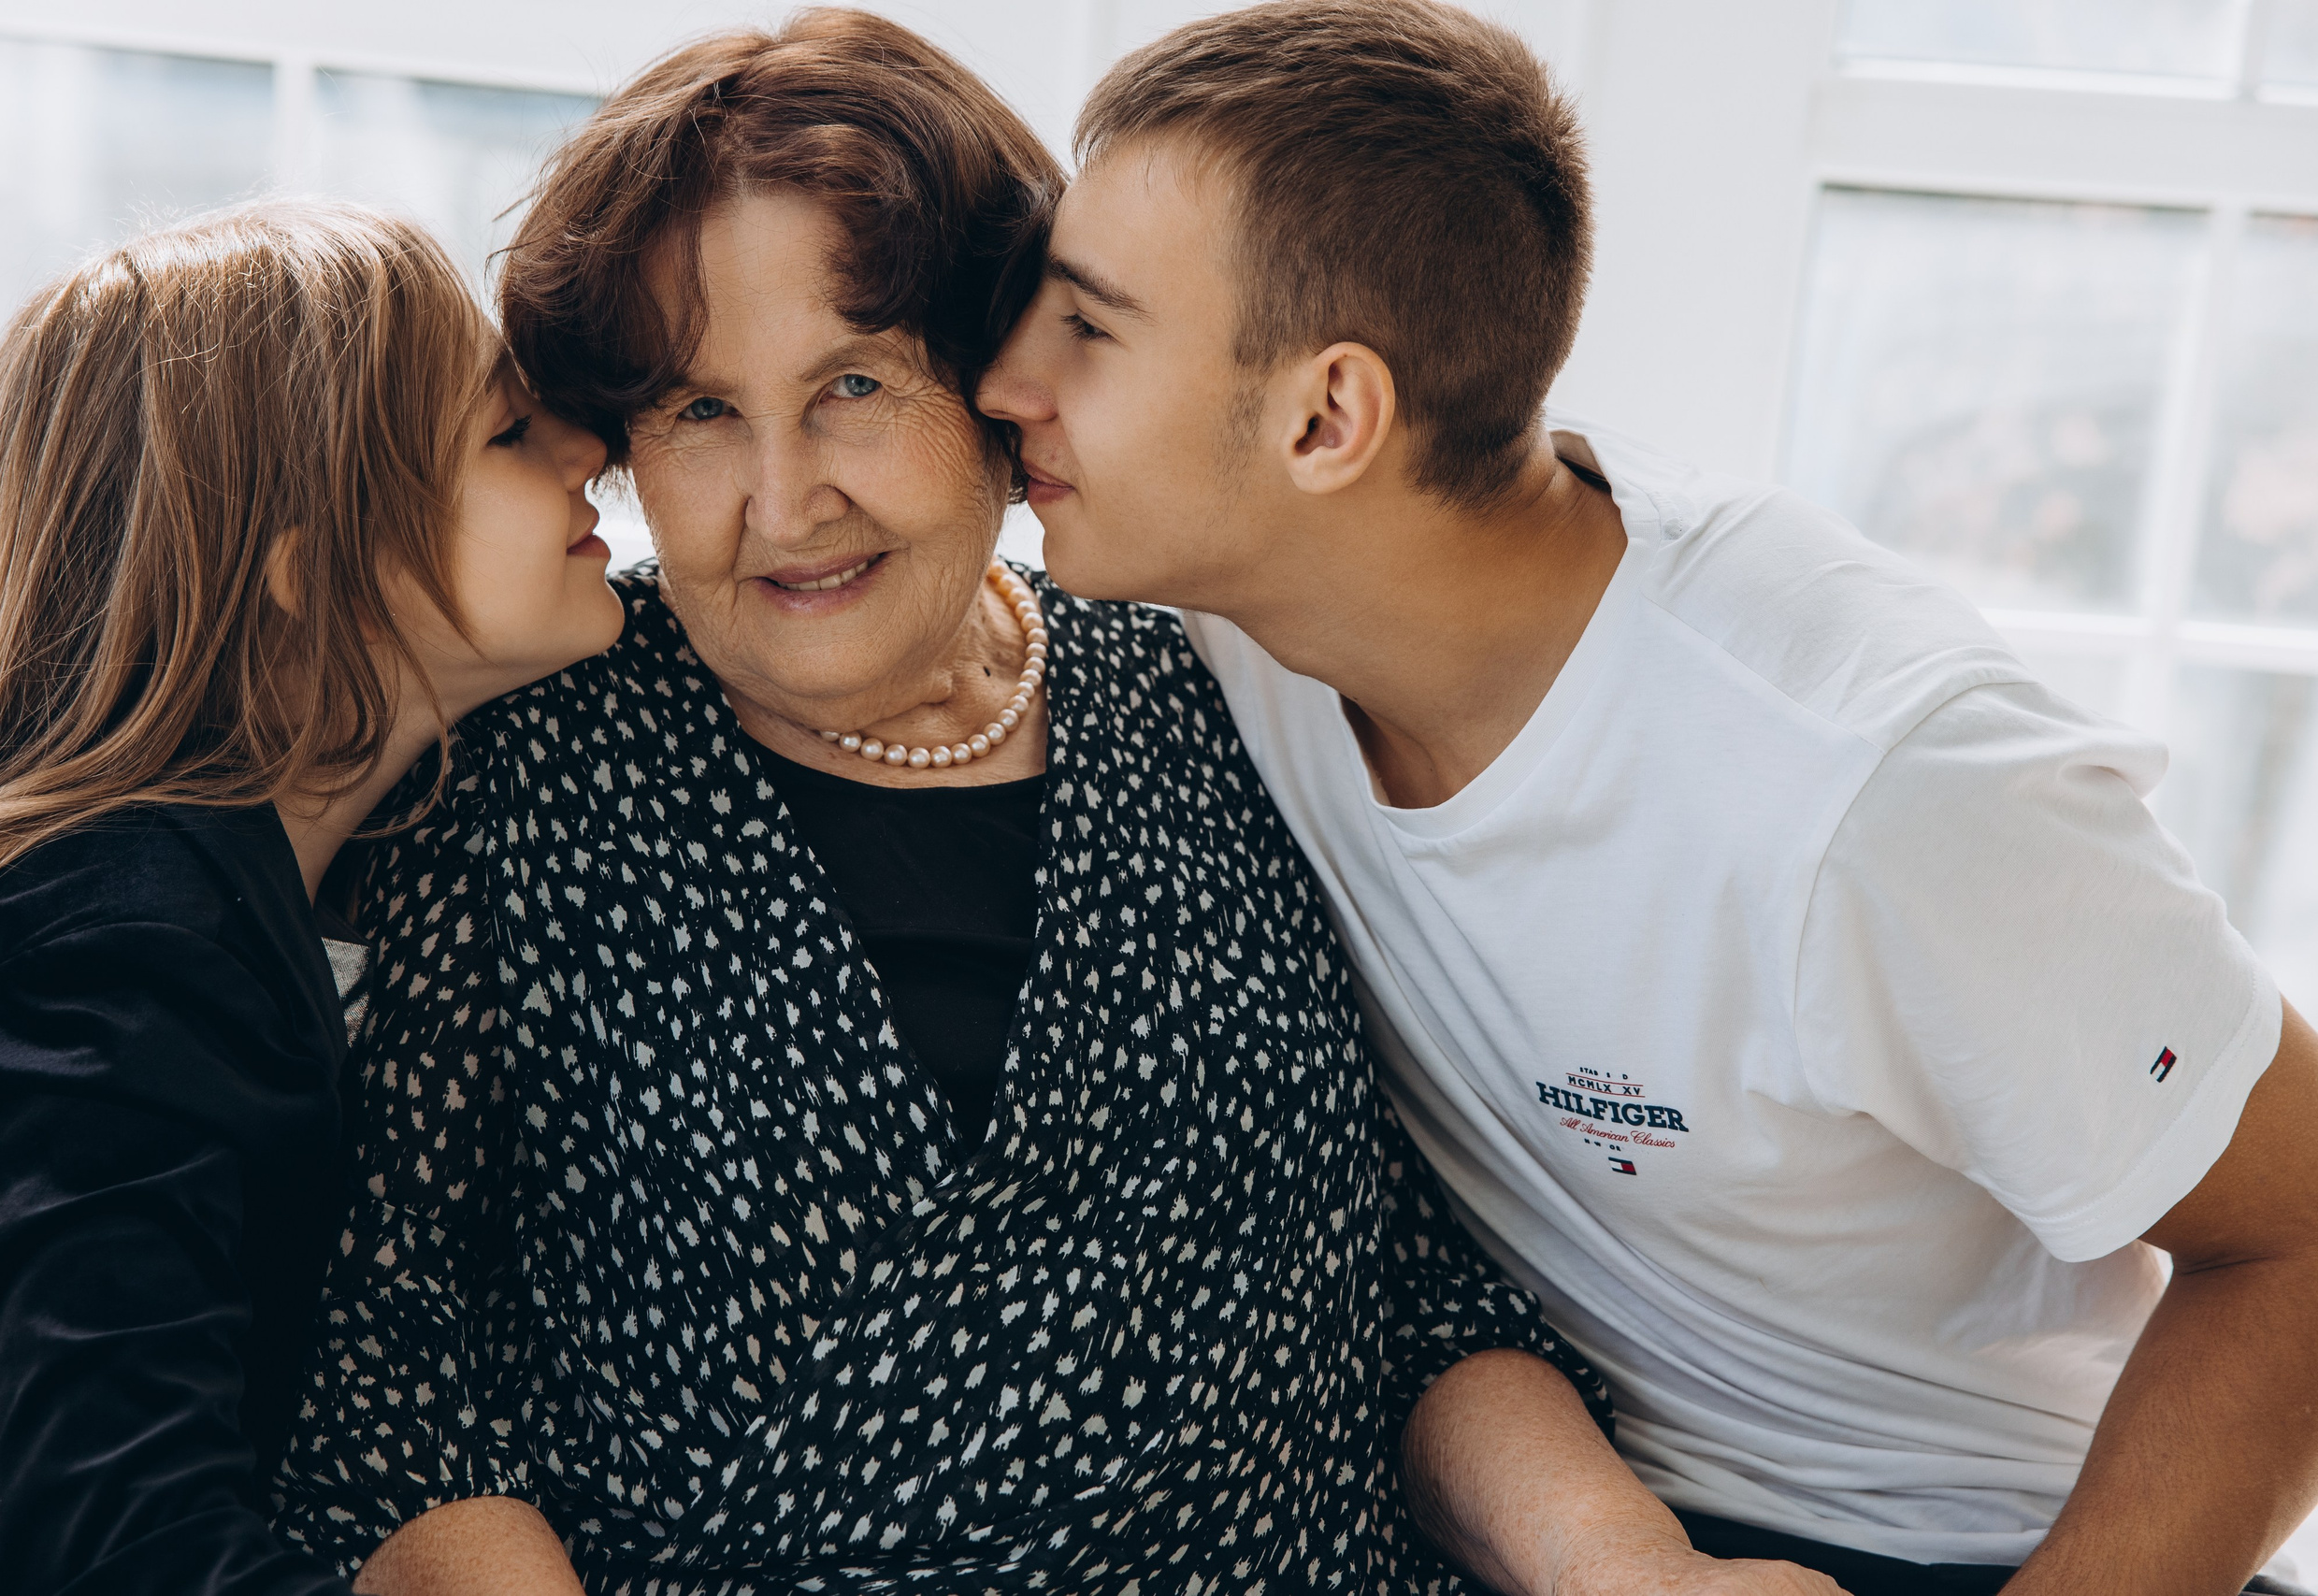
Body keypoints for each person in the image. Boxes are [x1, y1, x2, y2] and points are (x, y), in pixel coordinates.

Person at [266, 15, 1661, 1596]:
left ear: (1003, 384)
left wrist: (1629, 1563)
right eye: (699, 412)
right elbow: (388, 1391)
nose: (786, 507)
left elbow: (1411, 1294)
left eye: (856, 384)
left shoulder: (1214, 689)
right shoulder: (525, 759)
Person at [975, 2, 2318, 1594]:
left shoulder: (1869, 788)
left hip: (1964, 1543)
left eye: (1090, 327)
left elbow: (2299, 1239)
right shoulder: (1201, 615)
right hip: (1536, 1502)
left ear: (1327, 418)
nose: (1005, 380)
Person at [0, 201, 624, 1596]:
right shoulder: (118, 956)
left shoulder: (214, 884)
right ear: (309, 576)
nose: (590, 449)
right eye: (505, 435)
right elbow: (115, 1549)